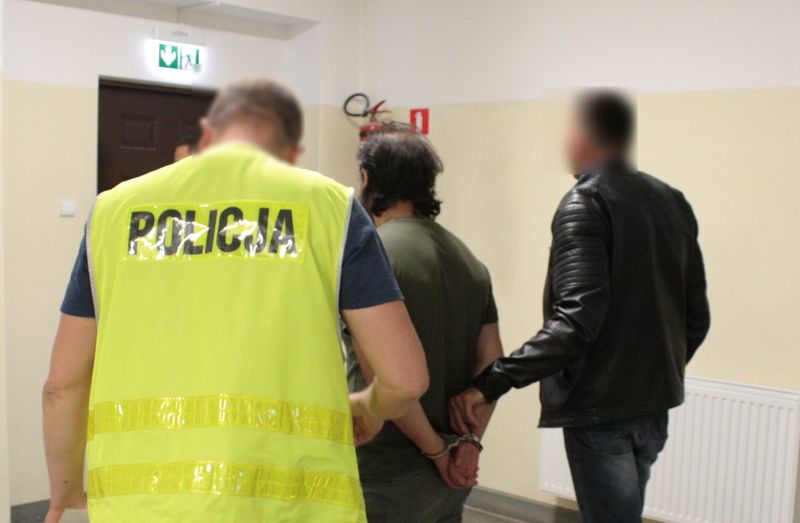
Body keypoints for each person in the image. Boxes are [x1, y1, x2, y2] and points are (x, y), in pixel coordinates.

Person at [43, 78, 430, 523]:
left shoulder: (113, 211)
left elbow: (62, 386)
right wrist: (369, 407)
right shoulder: (329, 207)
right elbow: (405, 379)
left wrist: (64, 493)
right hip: (294, 508)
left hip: (142, 507)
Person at [450, 91, 710, 522]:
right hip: (654, 408)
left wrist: (492, 381)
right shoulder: (671, 200)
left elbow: (575, 321)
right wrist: (656, 373)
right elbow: (696, 318)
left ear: (584, 137)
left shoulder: (585, 203)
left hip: (601, 411)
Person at [347, 131, 503, 523]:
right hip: (447, 484)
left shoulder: (372, 257)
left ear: (367, 178)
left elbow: (384, 375)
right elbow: (492, 362)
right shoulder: (470, 262)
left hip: (382, 474)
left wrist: (436, 451)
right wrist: (467, 445)